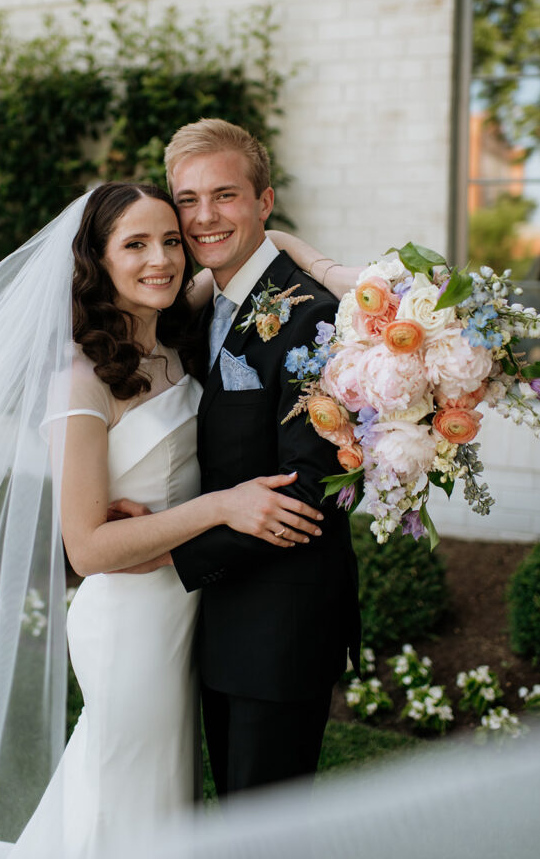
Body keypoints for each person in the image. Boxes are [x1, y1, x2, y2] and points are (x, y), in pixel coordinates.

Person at [0, 181, 338, 858]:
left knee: (160, 786)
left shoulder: (175, 331)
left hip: (183, 605)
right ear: (96, 260)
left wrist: (332, 273)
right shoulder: (80, 380)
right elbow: (85, 548)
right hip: (129, 622)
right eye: (135, 244)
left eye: (171, 241)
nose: (162, 260)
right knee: (124, 785)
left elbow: (266, 245)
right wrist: (219, 507)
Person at [117, 119, 361, 796]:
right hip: (210, 619)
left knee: (261, 832)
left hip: (276, 628)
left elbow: (313, 490)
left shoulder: (313, 316)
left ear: (263, 202)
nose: (203, 217)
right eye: (187, 199)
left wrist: (160, 548)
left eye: (223, 195)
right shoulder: (200, 307)